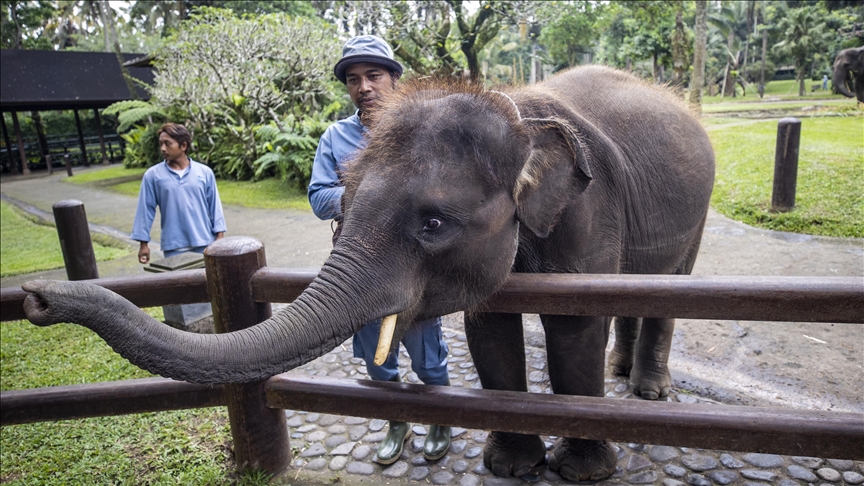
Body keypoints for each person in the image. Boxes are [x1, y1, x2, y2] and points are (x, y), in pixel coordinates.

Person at [308, 35, 451, 464]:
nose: (364, 87)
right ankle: (396, 422)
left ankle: (440, 419)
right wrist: (371, 199)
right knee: (378, 357)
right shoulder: (336, 137)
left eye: (373, 75)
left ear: (393, 78)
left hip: (417, 266)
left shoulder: (425, 131)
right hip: (359, 270)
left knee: (428, 356)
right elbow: (318, 198)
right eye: (354, 79)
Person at [132, 123, 226, 263]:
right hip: (173, 247)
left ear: (183, 146)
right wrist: (143, 244)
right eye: (161, 144)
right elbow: (145, 210)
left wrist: (219, 237)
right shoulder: (153, 175)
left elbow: (215, 206)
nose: (163, 148)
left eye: (168, 144)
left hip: (205, 243)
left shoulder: (204, 173)